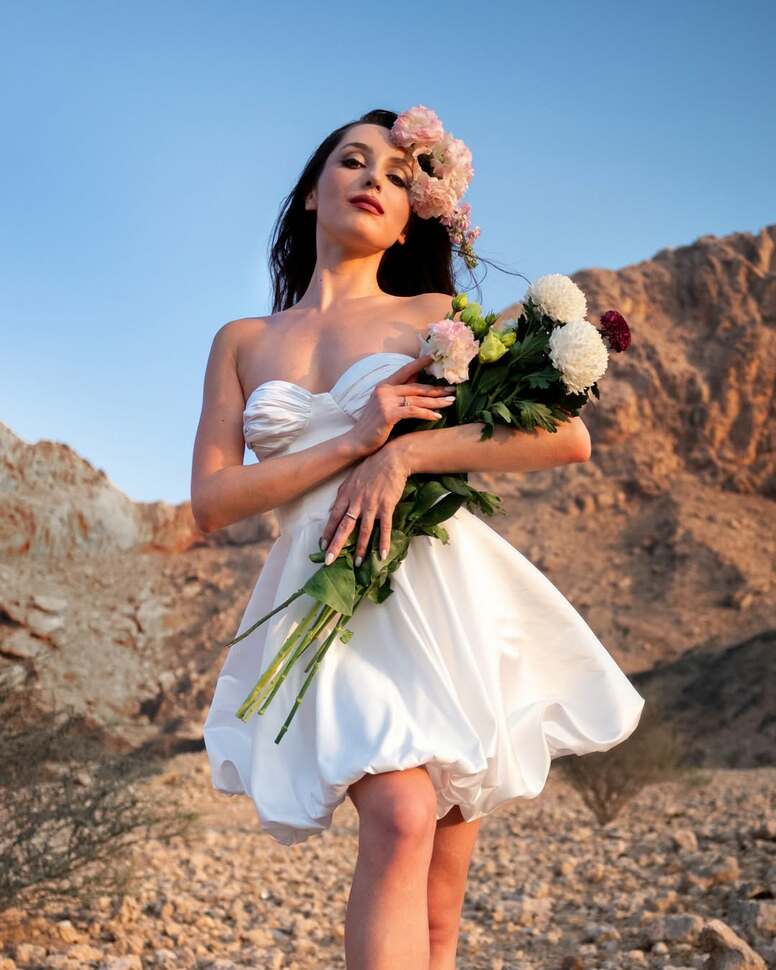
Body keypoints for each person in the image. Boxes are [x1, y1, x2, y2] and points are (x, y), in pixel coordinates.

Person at [192, 106, 646, 969]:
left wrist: (406, 460)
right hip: (322, 594)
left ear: (412, 216)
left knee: (440, 891)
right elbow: (212, 501)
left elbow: (566, 435)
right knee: (400, 815)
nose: (372, 180)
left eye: (399, 178)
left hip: (439, 593)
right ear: (310, 191)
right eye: (352, 162)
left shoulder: (435, 314)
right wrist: (357, 439)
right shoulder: (242, 342)